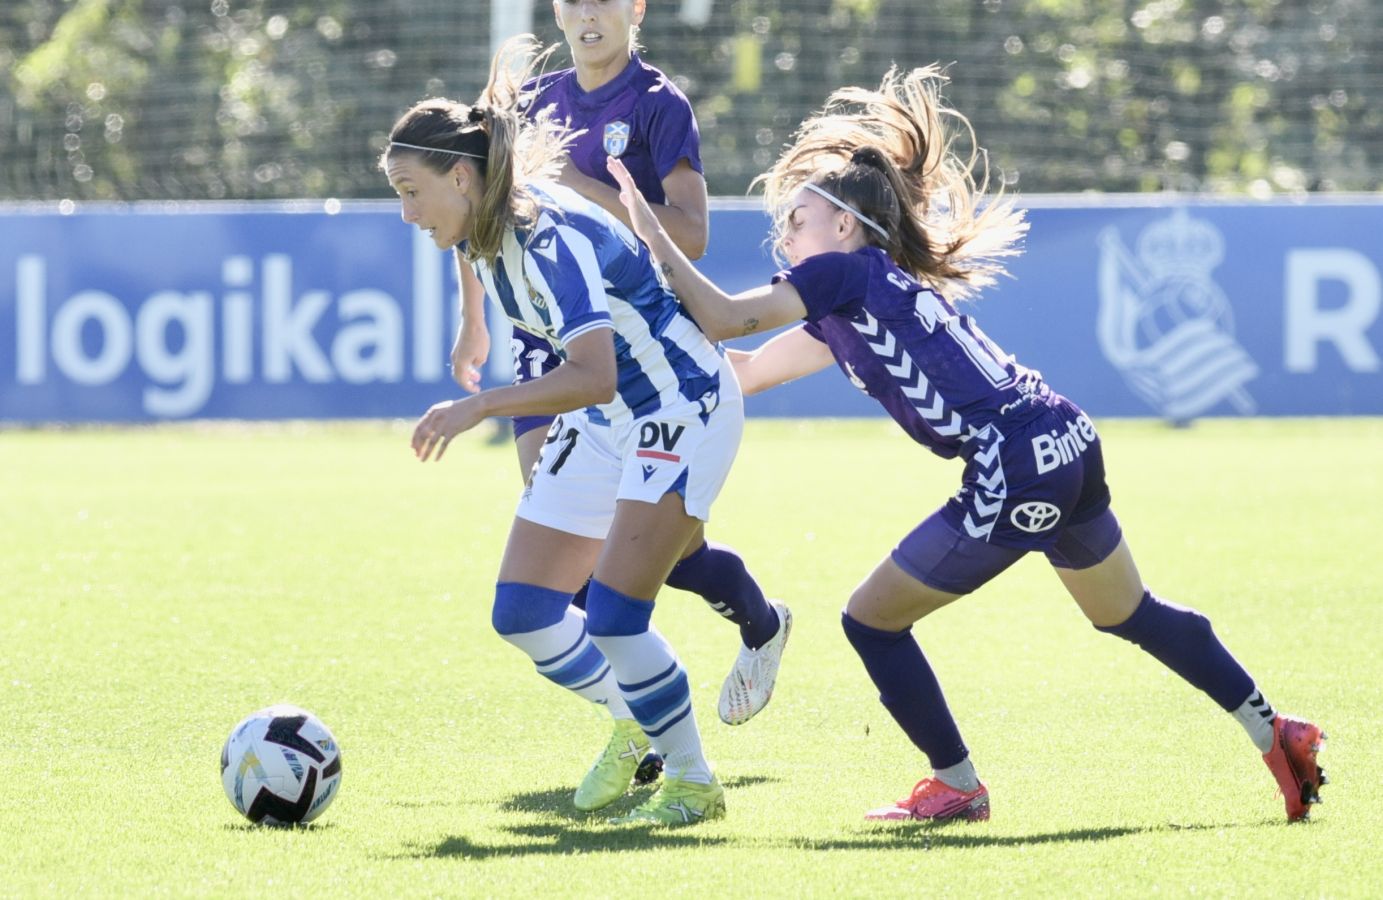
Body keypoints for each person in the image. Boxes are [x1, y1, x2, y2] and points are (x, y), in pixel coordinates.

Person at [606, 65, 1327, 823]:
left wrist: (646, 232)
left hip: (1016, 463)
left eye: (795, 219)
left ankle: (955, 784)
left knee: (870, 618)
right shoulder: (858, 296)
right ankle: (1275, 730)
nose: (781, 235)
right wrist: (638, 355)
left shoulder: (841, 276)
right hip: (1065, 440)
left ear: (844, 227)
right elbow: (743, 370)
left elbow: (723, 318)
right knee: (1127, 612)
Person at [382, 37, 741, 826]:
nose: (406, 213)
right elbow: (583, 378)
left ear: (463, 177)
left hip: (678, 410)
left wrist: (479, 405)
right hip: (612, 417)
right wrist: (471, 328)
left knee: (614, 617)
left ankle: (691, 779)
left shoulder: (544, 238)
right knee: (523, 610)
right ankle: (631, 723)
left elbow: (595, 373)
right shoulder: (482, 225)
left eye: (412, 192)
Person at [449, 2, 790, 746]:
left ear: (635, 9)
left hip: (636, 351)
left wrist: (578, 181)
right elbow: (473, 203)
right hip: (547, 338)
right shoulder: (533, 100)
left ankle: (755, 628)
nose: (588, 14)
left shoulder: (657, 105)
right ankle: (637, 726)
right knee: (570, 553)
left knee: (641, 559)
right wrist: (474, 317)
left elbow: (692, 236)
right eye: (574, 1)